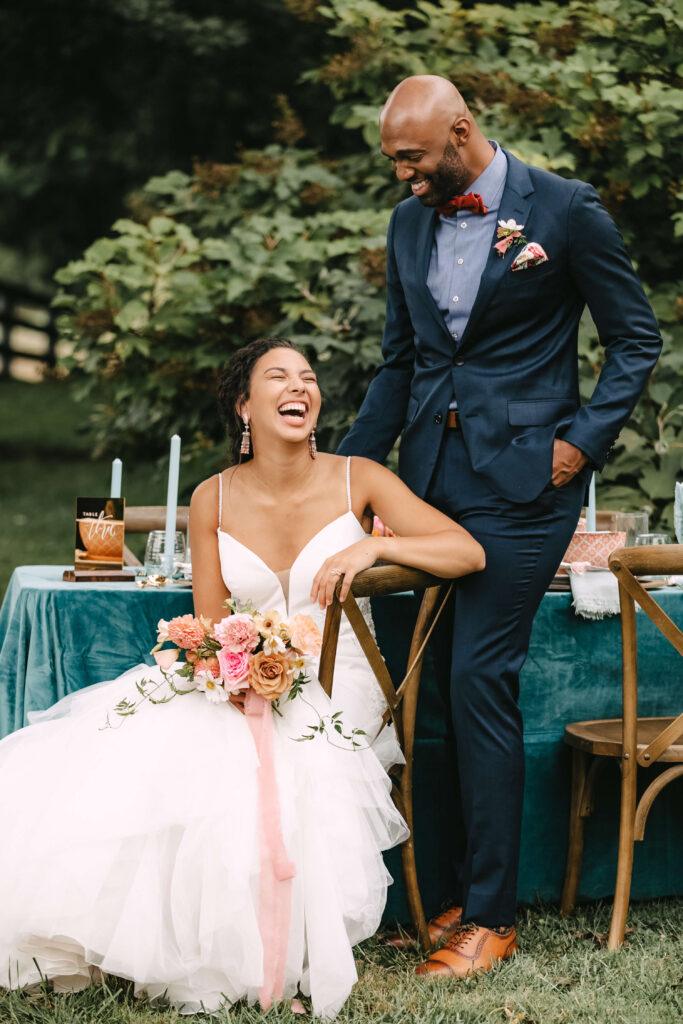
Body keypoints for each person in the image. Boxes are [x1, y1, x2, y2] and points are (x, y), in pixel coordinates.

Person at [0, 337, 484, 1018]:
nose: (300, 387)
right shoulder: (211, 497)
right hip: (241, 674)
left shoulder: (360, 478)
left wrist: (376, 542)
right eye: (279, 377)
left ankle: (256, 942)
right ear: (244, 407)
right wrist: (229, 671)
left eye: (308, 378)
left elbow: (465, 550)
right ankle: (145, 931)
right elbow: (208, 619)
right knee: (149, 743)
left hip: (341, 681)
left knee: (261, 757)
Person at [338, 75, 662, 977]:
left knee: (480, 675)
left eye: (411, 157)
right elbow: (399, 361)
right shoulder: (409, 222)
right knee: (421, 690)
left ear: (461, 132)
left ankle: (491, 915)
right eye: (391, 159)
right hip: (424, 487)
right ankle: (434, 898)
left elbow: (634, 338)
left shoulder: (563, 210)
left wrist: (579, 447)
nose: (401, 175)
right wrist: (353, 475)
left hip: (525, 486)